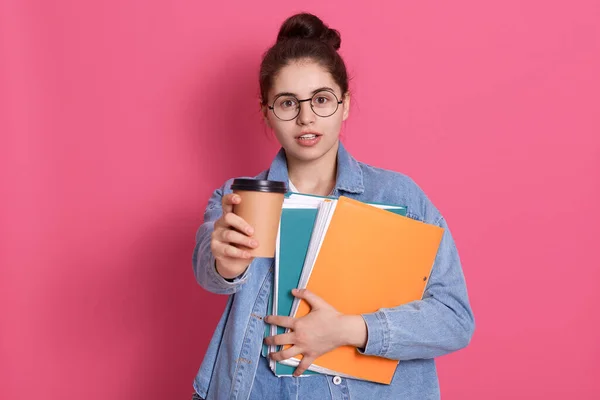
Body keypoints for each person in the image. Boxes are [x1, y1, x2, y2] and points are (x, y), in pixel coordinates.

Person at [191, 12, 474, 400]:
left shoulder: (402, 197)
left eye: (321, 99)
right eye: (287, 103)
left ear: (344, 104)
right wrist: (226, 262)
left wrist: (348, 330)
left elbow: (454, 319)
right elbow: (208, 270)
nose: (306, 116)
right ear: (267, 114)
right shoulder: (239, 197)